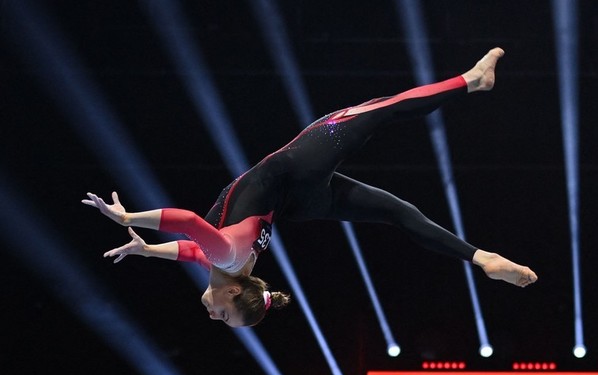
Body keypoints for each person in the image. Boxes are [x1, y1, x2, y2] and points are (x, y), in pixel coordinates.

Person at [83, 48, 537, 328]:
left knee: (396, 211)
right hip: (297, 172)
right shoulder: (225, 258)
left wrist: (147, 250)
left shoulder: (224, 263)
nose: (212, 315)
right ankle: (472, 81)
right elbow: (187, 223)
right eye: (223, 314)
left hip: (299, 200)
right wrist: (127, 218)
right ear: (233, 294)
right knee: (381, 109)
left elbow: (188, 250)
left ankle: (482, 258)